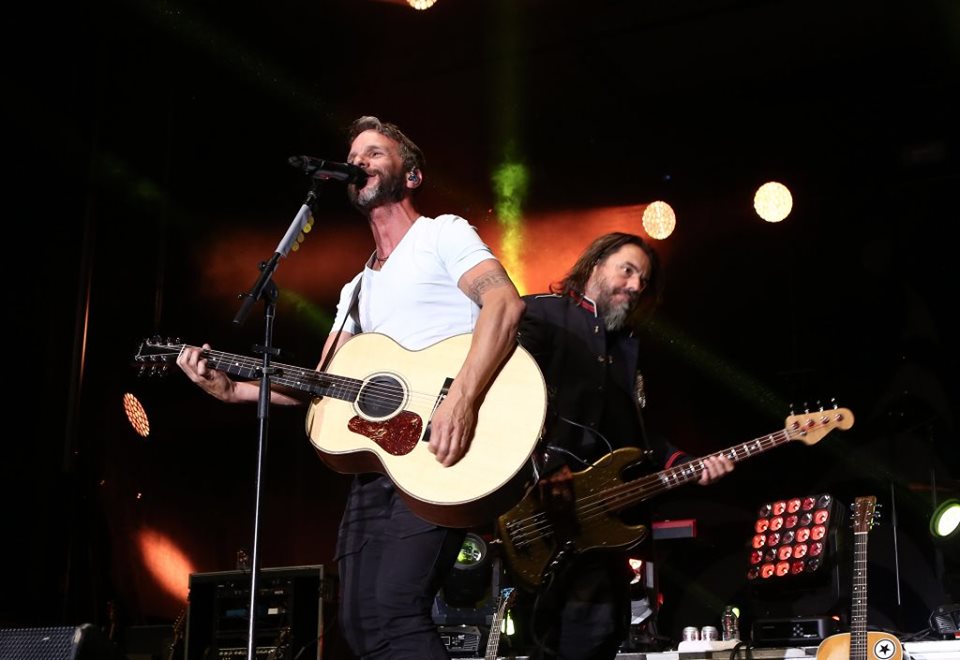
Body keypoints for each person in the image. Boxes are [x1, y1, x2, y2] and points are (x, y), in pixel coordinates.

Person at [176, 115, 525, 659]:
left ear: (410, 175)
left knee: (394, 612)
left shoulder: (443, 234)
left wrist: (461, 398)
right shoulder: (356, 288)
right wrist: (233, 391)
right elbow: (323, 386)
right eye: (354, 154)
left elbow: (504, 303)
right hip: (381, 461)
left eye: (374, 153)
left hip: (443, 445)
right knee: (359, 622)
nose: (358, 161)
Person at [514, 232, 735, 660]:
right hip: (539, 510)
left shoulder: (625, 346)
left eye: (643, 280)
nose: (636, 286)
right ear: (595, 264)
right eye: (627, 270)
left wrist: (686, 462)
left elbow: (636, 434)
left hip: (601, 521)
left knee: (601, 632)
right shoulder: (541, 313)